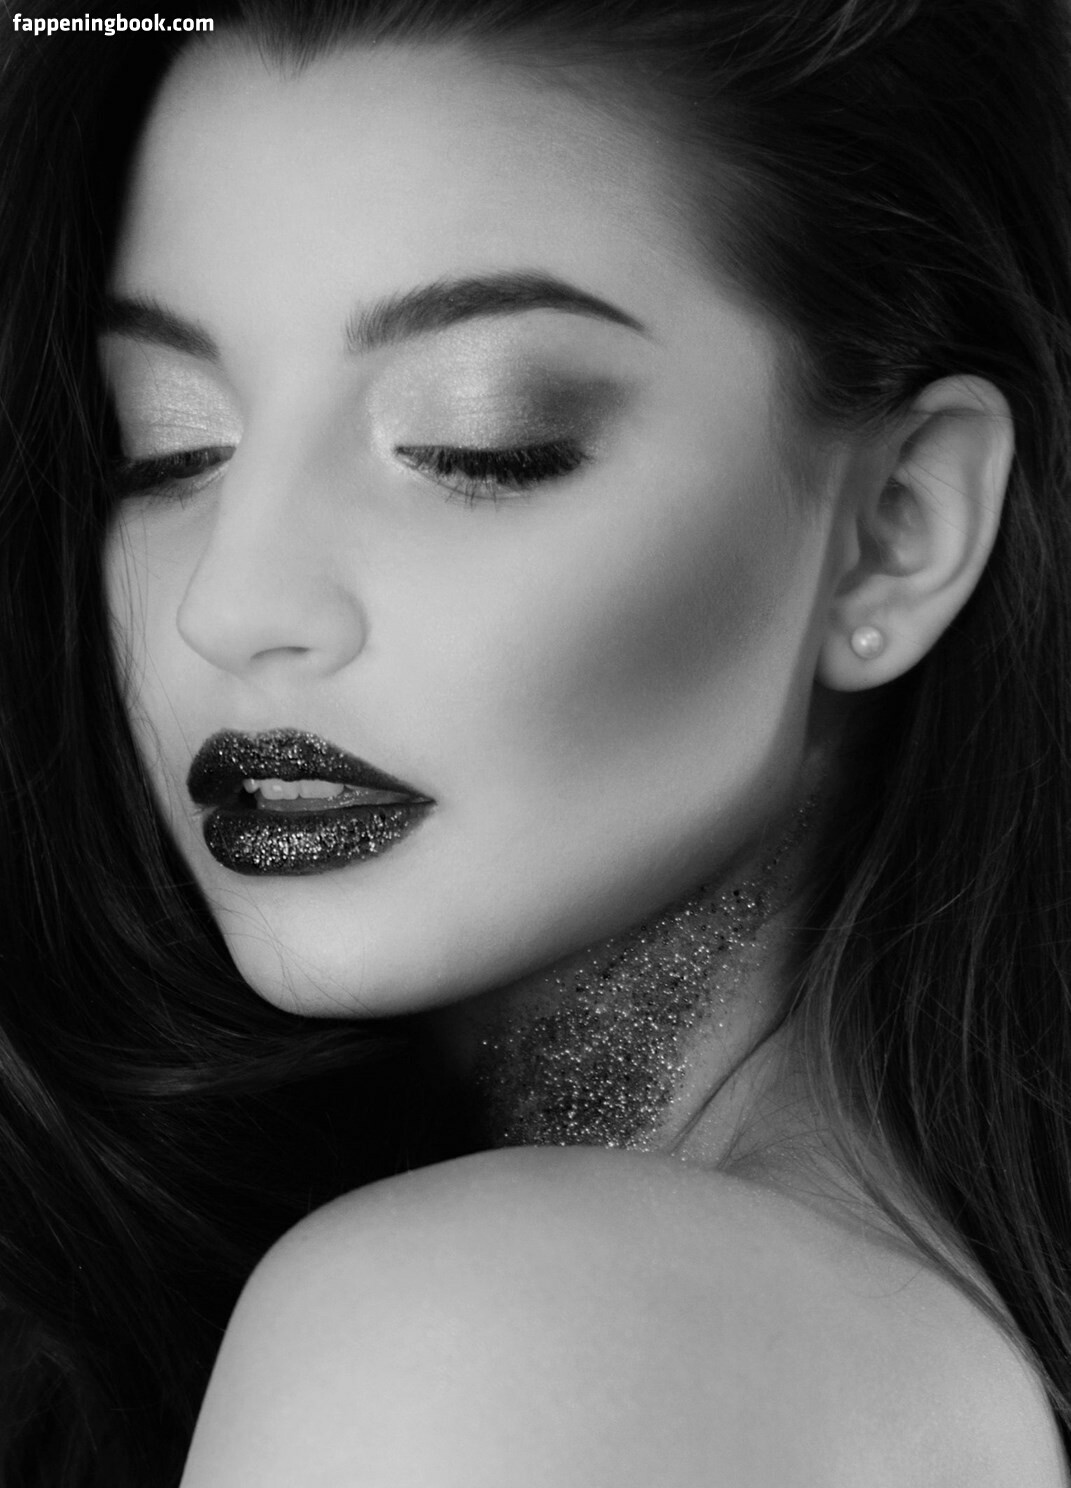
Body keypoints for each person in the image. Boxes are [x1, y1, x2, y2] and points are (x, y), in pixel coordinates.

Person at [1, 0, 1070, 1481]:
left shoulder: (505, 1324)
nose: (232, 605)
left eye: (476, 444)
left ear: (895, 532)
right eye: (169, 445)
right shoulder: (882, 1323)